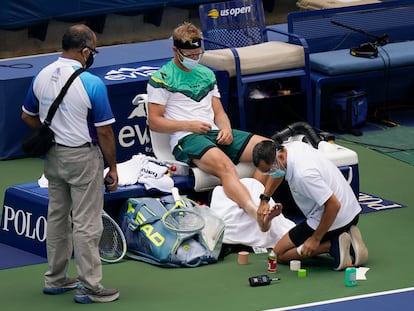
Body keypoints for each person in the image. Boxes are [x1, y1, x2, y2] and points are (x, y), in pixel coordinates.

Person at [21, 24, 120, 303]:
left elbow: (27, 116)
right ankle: (90, 286)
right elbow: (104, 131)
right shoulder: (92, 83)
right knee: (87, 223)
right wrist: (112, 167)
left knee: (57, 219)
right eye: (93, 51)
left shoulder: (41, 75)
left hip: (53, 157)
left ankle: (55, 279)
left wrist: (53, 130)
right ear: (85, 51)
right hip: (82, 158)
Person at [146, 22, 270, 219]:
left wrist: (226, 128)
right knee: (226, 167)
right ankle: (254, 213)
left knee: (271, 151)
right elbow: (154, 122)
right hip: (186, 138)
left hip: (213, 133)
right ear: (175, 50)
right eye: (190, 55)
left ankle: (260, 202)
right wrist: (189, 125)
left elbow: (219, 113)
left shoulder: (207, 74)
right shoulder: (161, 78)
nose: (195, 58)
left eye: (198, 54)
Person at [252, 140, 368, 270]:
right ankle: (344, 237)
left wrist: (315, 239)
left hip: (337, 217)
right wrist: (265, 198)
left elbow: (334, 205)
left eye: (270, 171)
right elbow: (279, 170)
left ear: (280, 157)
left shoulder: (304, 175)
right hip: (351, 210)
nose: (270, 175)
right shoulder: (292, 148)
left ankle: (333, 245)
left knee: (279, 255)